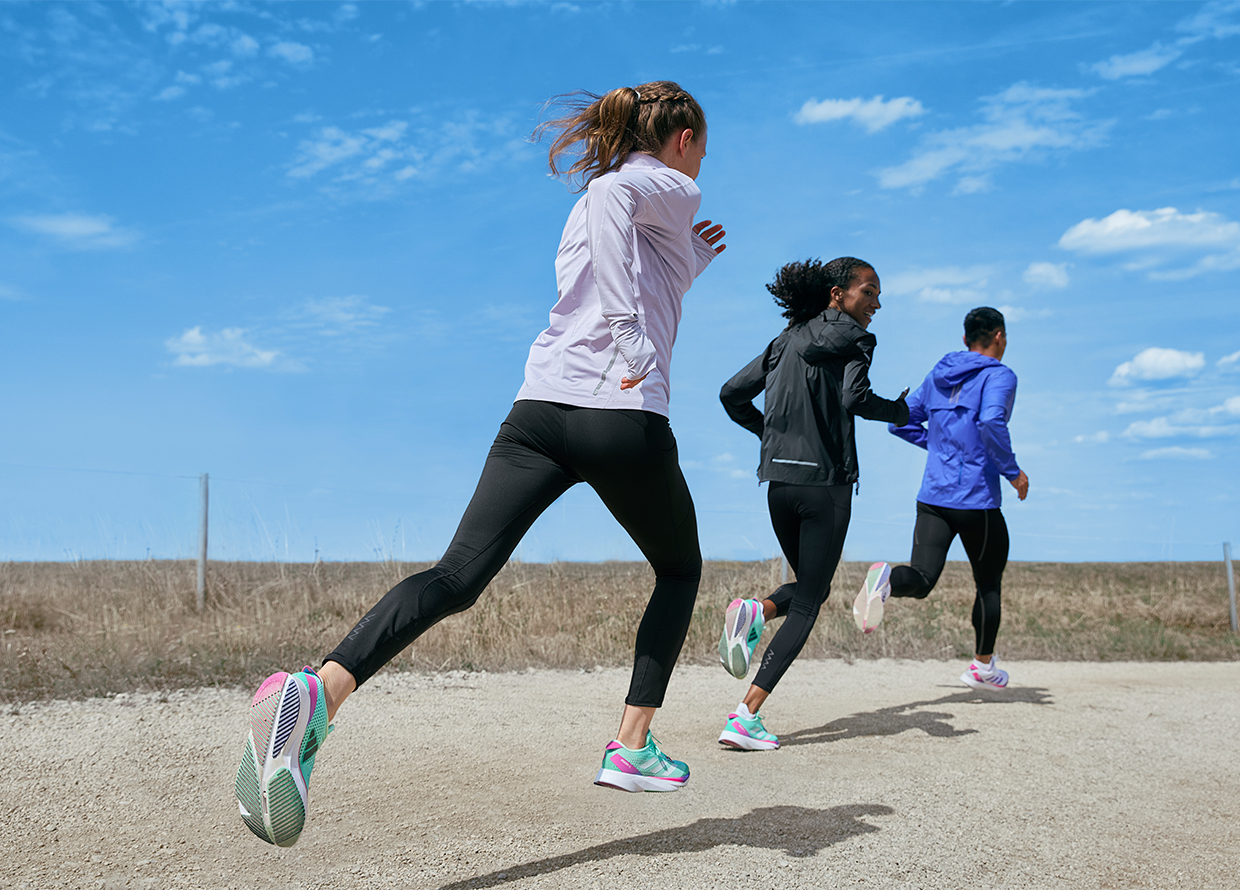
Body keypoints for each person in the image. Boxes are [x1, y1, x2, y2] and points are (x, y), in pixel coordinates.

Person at [234, 81, 727, 847]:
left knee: (456, 576)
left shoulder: (612, 210)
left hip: (537, 414)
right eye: (701, 147)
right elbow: (616, 218)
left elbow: (622, 269)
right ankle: (631, 747)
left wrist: (688, 259)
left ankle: (316, 693)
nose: (700, 167)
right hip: (620, 416)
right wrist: (631, 335)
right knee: (680, 570)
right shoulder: (647, 182)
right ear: (684, 135)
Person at [716, 257, 908, 750]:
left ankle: (754, 611)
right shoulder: (856, 338)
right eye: (869, 292)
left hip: (779, 483)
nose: (876, 303)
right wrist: (900, 412)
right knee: (808, 601)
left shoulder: (786, 339)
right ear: (836, 294)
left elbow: (732, 394)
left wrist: (770, 437)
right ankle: (745, 716)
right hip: (825, 485)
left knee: (810, 589)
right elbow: (855, 398)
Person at [853, 306, 1028, 691]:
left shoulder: (938, 374)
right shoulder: (1000, 375)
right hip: (977, 500)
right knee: (988, 586)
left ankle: (885, 582)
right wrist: (1012, 472)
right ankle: (982, 667)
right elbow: (991, 421)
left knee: (921, 578)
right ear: (999, 336)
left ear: (966, 340)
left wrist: (939, 445)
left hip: (933, 497)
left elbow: (900, 421)